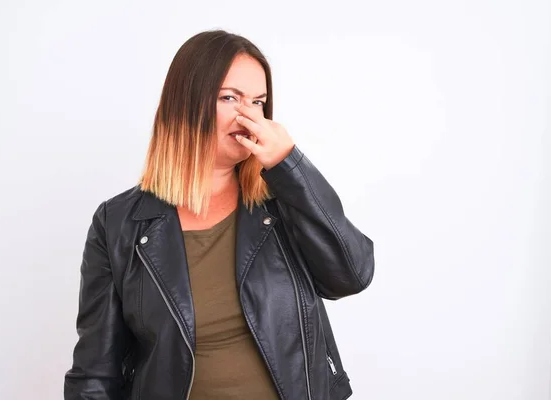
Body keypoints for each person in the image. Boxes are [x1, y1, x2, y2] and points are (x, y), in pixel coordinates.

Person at [64, 29, 375, 400]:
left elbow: (351, 275)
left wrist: (289, 165)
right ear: (186, 103)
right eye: (230, 98)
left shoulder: (283, 199)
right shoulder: (118, 224)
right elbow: (95, 374)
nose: (248, 115)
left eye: (258, 102)